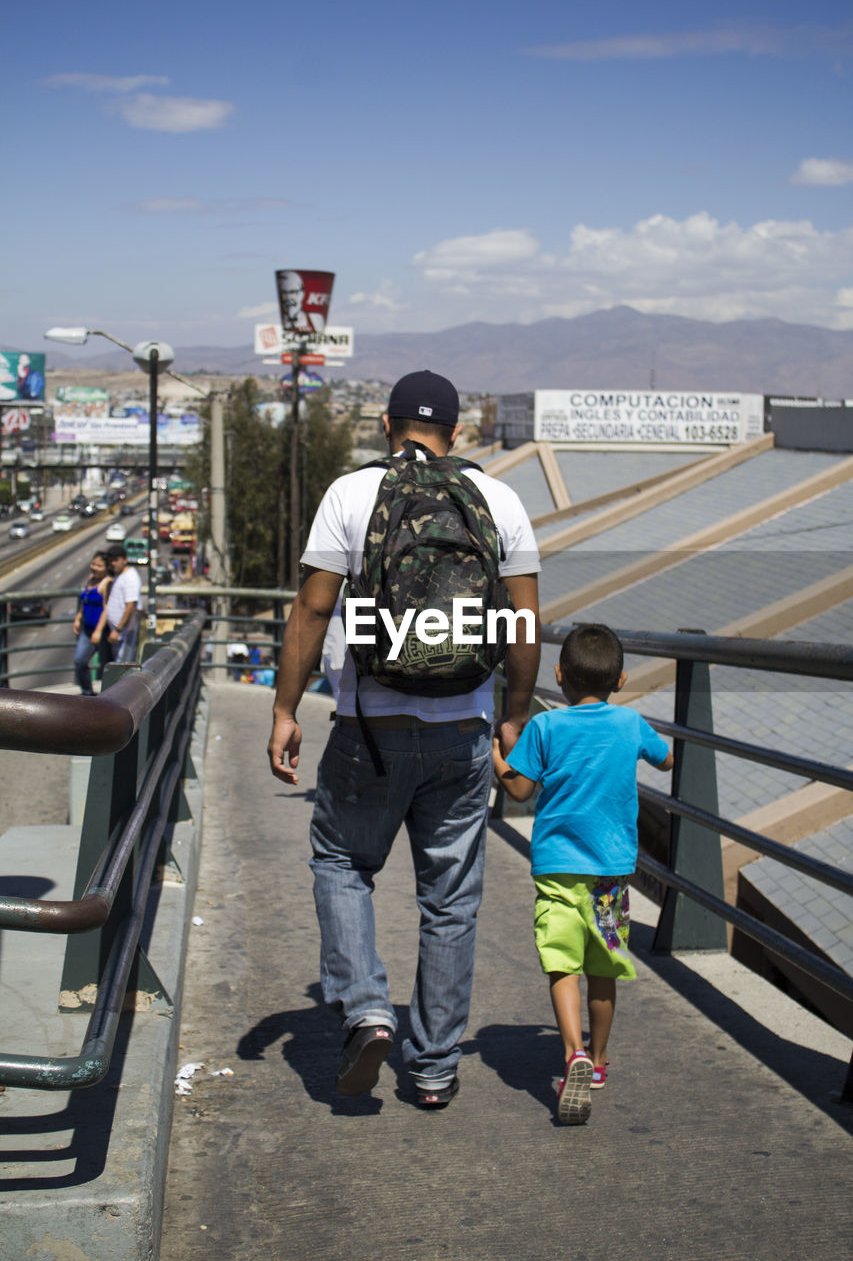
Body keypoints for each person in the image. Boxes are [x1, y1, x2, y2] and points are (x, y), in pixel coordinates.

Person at [267, 369, 540, 1107]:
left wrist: (284, 709)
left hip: (368, 727)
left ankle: (365, 1008)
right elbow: (522, 625)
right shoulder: (502, 500)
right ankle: (434, 1067)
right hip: (462, 726)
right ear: (458, 430)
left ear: (388, 426)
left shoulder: (351, 494)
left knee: (342, 861)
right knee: (449, 901)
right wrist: (512, 714)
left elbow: (310, 612)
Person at [492, 623, 673, 1125]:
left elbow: (521, 791)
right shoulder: (630, 722)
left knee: (561, 964)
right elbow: (667, 759)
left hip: (557, 869)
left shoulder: (548, 729)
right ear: (621, 679)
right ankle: (597, 1062)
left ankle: (571, 1052)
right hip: (611, 873)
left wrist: (497, 760)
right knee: (602, 968)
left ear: (559, 674)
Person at [72, 550, 113, 696]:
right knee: (80, 661)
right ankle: (87, 692)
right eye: (93, 564)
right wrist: (78, 618)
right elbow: (85, 600)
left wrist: (99, 631)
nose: (94, 567)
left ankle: (106, 698)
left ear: (107, 568)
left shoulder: (107, 583)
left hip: (102, 632)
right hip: (87, 629)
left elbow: (106, 608)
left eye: (99, 566)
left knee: (105, 667)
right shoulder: (91, 580)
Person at [105, 547, 142, 662]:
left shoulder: (130, 577)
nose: (113, 563)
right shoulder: (119, 575)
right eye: (111, 560)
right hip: (118, 634)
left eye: (116, 560)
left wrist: (118, 630)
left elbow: (130, 606)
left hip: (124, 634)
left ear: (125, 560)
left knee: (122, 667)